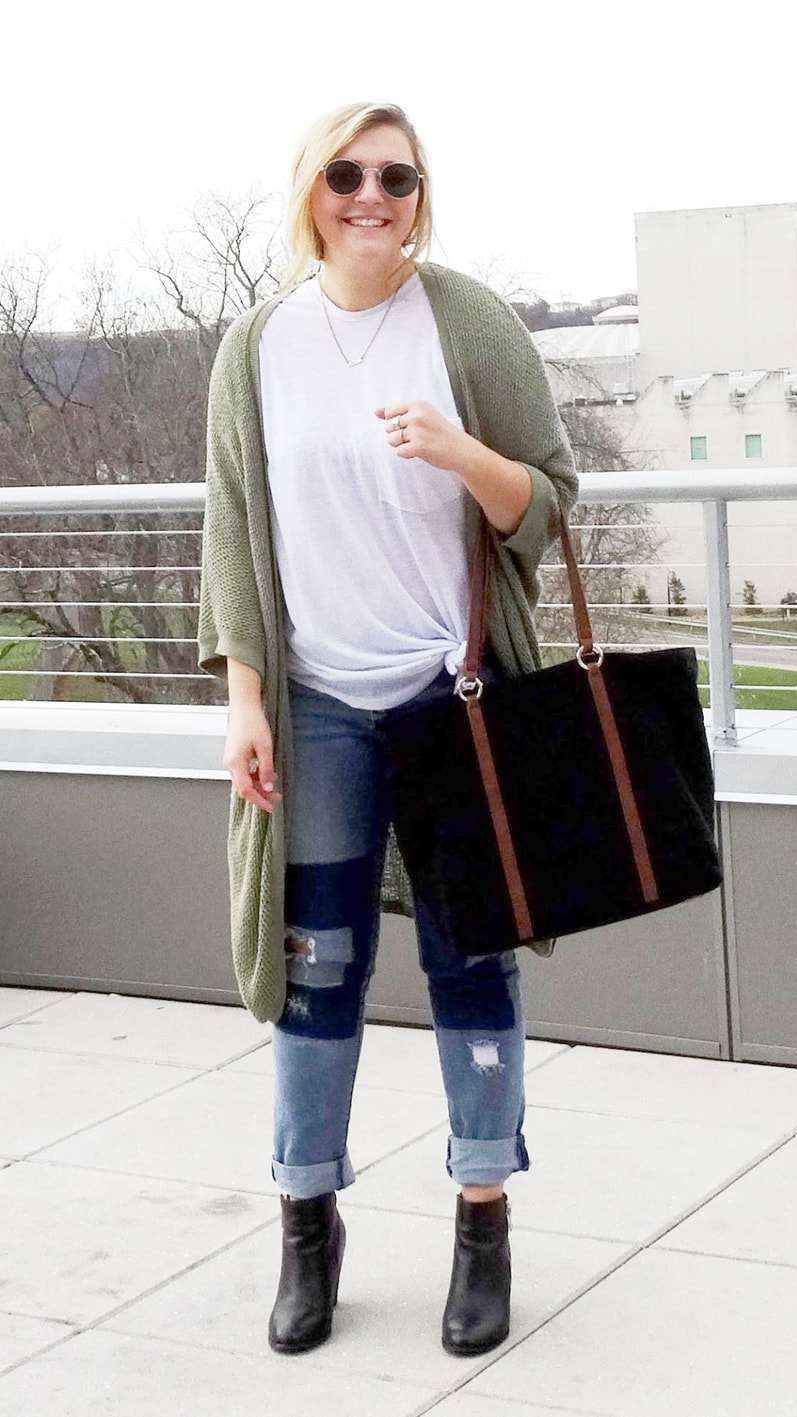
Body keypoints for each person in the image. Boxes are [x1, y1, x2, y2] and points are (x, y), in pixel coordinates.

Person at [197, 101, 577, 1359]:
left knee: (473, 958)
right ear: (312, 188)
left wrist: (462, 451)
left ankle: (483, 1219)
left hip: (449, 692)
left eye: (398, 177)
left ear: (422, 195)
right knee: (318, 970)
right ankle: (306, 1221)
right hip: (314, 707)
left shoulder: (467, 326)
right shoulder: (258, 343)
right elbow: (233, 534)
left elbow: (549, 507)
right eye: (350, 174)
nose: (374, 196)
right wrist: (245, 698)